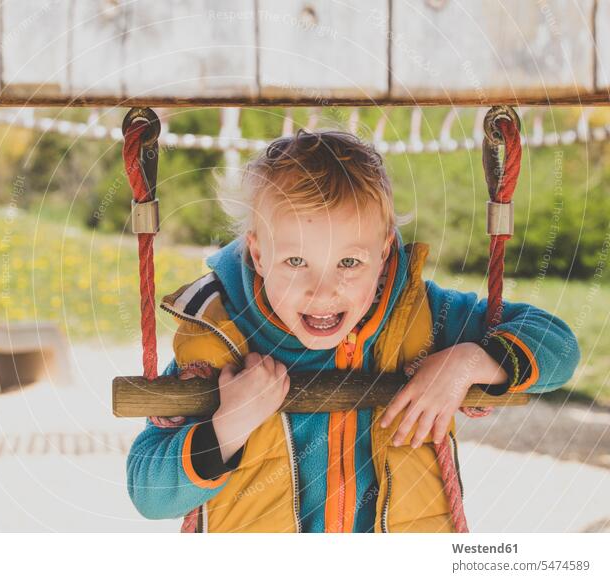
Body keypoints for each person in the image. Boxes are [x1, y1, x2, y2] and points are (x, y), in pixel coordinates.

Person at [126, 129, 580, 532]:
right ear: (259, 255)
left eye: (349, 262)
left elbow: (560, 346)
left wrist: (469, 362)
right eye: (296, 261)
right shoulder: (220, 336)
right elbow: (148, 492)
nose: (323, 291)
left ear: (384, 253)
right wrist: (227, 428)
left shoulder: (418, 318)